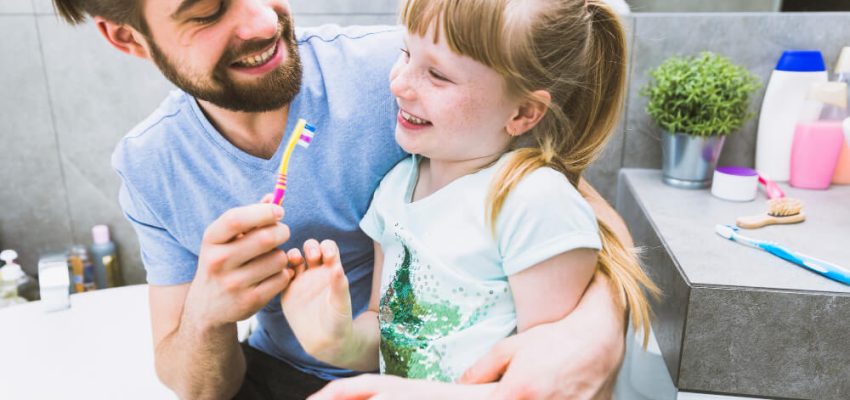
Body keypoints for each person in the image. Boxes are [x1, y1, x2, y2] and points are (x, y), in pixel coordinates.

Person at [52, 0, 637, 398]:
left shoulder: (400, 68)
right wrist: (208, 312)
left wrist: (592, 338)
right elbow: (199, 388)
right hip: (296, 370)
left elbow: (575, 209)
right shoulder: (151, 164)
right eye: (207, 10)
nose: (262, 19)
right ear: (126, 36)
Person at [280, 0, 657, 391]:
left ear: (523, 113)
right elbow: (389, 332)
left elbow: (548, 383)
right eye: (406, 53)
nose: (398, 83)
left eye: (437, 75)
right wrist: (336, 339)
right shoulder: (394, 190)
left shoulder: (533, 202)